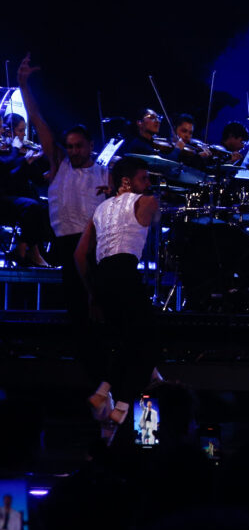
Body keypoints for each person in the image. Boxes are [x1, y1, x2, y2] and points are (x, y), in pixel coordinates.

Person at [17, 54, 108, 325]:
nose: (74, 151)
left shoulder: (104, 171)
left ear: (90, 145)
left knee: (96, 305)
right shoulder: (60, 163)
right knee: (75, 308)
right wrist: (23, 85)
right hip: (66, 243)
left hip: (93, 244)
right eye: (70, 146)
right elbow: (37, 119)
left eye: (79, 146)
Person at [74, 156, 162, 420]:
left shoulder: (99, 210)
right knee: (149, 341)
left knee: (130, 340)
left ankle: (104, 392)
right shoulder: (147, 201)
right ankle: (121, 407)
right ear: (127, 180)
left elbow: (79, 255)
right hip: (124, 272)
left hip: (101, 278)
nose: (148, 183)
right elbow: (157, 216)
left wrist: (92, 294)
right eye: (143, 178)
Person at [1, 111, 51, 267]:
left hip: (18, 197)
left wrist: (55, 165)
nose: (23, 134)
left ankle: (34, 252)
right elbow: (7, 174)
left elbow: (39, 180)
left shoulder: (17, 151)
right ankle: (25, 251)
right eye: (20, 130)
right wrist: (22, 158)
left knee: (44, 208)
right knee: (33, 206)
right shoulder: (9, 152)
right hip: (6, 198)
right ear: (10, 131)